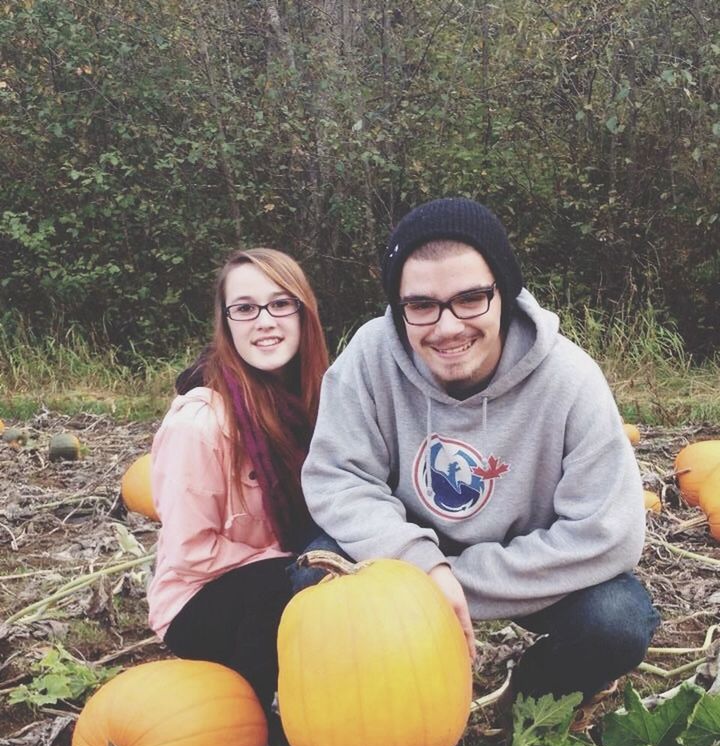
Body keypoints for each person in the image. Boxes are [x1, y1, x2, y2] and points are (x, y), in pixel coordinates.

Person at [301, 198, 660, 707]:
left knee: (618, 620)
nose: (447, 327)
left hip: (524, 562)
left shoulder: (571, 380)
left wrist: (453, 580)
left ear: (505, 294)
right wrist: (421, 567)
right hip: (402, 553)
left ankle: (533, 694)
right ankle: (392, 705)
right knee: (311, 580)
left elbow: (608, 535)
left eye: (471, 298)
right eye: (421, 305)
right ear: (398, 306)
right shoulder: (369, 356)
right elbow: (339, 477)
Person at [148, 248, 329, 715]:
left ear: (303, 312)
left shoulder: (316, 401)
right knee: (309, 586)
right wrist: (303, 561)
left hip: (274, 571)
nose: (264, 320)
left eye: (280, 303)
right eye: (246, 309)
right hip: (201, 598)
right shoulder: (200, 422)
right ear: (227, 323)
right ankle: (266, 718)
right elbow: (192, 554)